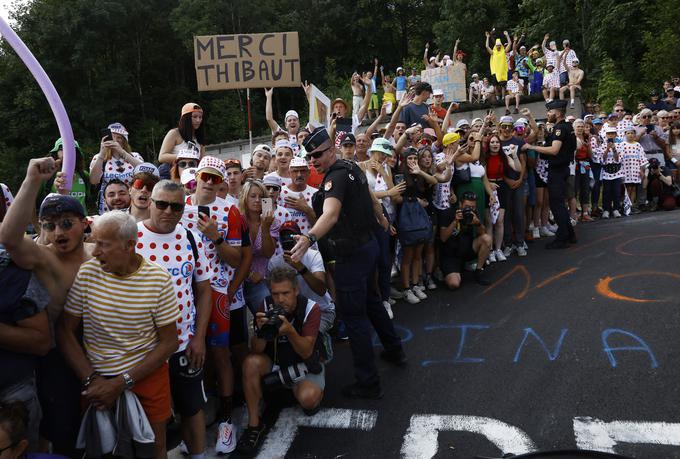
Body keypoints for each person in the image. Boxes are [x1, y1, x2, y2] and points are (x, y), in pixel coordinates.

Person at [292, 127, 405, 399]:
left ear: (331, 150)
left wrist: (308, 239)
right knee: (372, 302)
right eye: (310, 157)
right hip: (366, 247)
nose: (313, 161)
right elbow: (368, 197)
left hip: (351, 254)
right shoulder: (351, 167)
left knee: (355, 319)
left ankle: (368, 382)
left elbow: (330, 214)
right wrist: (381, 219)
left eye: (318, 155)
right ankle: (394, 349)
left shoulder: (336, 177)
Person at [57, 210, 180, 459]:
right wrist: (92, 381)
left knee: (154, 448)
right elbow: (64, 331)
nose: (95, 251)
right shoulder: (88, 273)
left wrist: (121, 382)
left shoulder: (158, 279)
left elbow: (169, 343)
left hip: (146, 377)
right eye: (94, 242)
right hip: (96, 380)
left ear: (130, 245)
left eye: (103, 244)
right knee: (101, 449)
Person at [0, 158, 93, 455]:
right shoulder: (45, 259)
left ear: (85, 223)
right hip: (58, 359)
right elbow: (9, 238)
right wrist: (31, 180)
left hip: (103, 349)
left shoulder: (98, 253)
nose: (58, 233)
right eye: (49, 226)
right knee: (63, 429)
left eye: (66, 224)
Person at [136, 180, 212, 458]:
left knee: (192, 408)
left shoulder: (191, 238)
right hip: (144, 351)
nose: (168, 211)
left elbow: (204, 290)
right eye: (162, 204)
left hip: (184, 345)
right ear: (149, 202)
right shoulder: (130, 238)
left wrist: (199, 337)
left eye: (176, 206)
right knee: (154, 419)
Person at [181, 156, 243, 454]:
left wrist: (216, 237)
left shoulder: (229, 209)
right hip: (184, 291)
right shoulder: (178, 205)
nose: (209, 182)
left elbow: (236, 259)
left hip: (217, 290)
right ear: (197, 176)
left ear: (221, 184)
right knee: (189, 353)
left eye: (216, 179)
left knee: (220, 354)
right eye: (206, 176)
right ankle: (197, 410)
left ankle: (227, 419)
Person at [236, 266, 325, 454]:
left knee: (308, 399)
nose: (280, 299)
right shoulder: (266, 305)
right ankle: (254, 425)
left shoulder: (311, 308)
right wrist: (261, 332)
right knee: (250, 363)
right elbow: (256, 350)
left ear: (296, 290)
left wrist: (290, 331)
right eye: (275, 294)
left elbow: (307, 352)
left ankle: (306, 389)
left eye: (285, 293)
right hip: (276, 361)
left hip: (304, 365)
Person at [268, 222, 335, 332]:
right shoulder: (274, 263)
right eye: (283, 236)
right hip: (291, 312)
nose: (287, 239)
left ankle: (324, 343)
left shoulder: (313, 255)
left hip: (321, 310)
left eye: (290, 236)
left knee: (309, 336)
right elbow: (274, 294)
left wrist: (300, 267)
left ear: (298, 238)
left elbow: (321, 290)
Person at [531, 100, 578, 247]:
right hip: (562, 169)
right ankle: (570, 235)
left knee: (556, 205)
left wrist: (532, 147)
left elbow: (554, 150)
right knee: (559, 204)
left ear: (557, 113)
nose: (548, 114)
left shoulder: (560, 129)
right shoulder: (568, 127)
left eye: (549, 112)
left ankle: (562, 238)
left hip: (557, 171)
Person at [438, 191, 492, 288]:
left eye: (473, 207)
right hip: (451, 255)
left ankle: (478, 271)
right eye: (467, 206)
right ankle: (445, 271)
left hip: (466, 250)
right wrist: (455, 221)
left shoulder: (473, 213)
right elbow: (443, 238)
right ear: (460, 204)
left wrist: (478, 223)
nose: (470, 209)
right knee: (454, 284)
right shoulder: (448, 212)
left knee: (487, 239)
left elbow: (483, 233)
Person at [240, 179, 278, 317]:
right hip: (238, 279)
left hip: (261, 281)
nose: (257, 200)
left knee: (267, 319)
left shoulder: (271, 222)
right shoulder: (237, 220)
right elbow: (235, 255)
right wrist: (249, 274)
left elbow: (268, 253)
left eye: (261, 197)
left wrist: (265, 228)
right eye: (252, 196)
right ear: (245, 198)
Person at [89, 122, 143, 214]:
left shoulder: (134, 156)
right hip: (107, 208)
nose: (115, 140)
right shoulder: (99, 158)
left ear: (124, 141)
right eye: (112, 137)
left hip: (131, 206)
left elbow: (145, 172)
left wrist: (123, 153)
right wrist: (102, 154)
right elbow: (94, 180)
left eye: (119, 138)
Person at [497, 116, 528, 257]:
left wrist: (520, 179)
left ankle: (520, 243)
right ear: (500, 126)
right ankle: (508, 243)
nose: (507, 129)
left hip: (518, 182)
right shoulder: (496, 142)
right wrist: (506, 179)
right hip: (503, 183)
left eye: (510, 126)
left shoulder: (518, 142)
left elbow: (523, 162)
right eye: (504, 126)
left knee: (519, 213)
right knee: (506, 214)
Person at [40, 138, 91, 211]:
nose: (67, 151)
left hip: (81, 220)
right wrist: (35, 222)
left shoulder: (84, 175)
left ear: (77, 153)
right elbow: (32, 199)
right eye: (62, 148)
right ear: (56, 152)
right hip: (55, 220)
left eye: (72, 148)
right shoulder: (47, 175)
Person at [158, 103, 206, 173]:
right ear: (186, 118)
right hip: (172, 174)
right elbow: (162, 157)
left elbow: (202, 160)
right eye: (194, 117)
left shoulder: (199, 137)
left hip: (192, 175)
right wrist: (186, 156)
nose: (198, 120)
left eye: (200, 117)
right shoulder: (174, 133)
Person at [279, 157, 318, 235]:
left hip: (310, 244)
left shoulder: (316, 194)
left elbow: (321, 226)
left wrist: (307, 210)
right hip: (284, 245)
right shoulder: (279, 193)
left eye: (303, 171)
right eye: (295, 171)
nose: (299, 175)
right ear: (289, 173)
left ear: (309, 172)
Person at [619, 126, 648, 212]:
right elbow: (619, 158)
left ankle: (631, 206)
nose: (630, 135)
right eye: (628, 133)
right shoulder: (622, 145)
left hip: (635, 170)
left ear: (634, 134)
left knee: (634, 188)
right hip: (626, 170)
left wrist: (642, 169)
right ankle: (626, 206)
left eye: (632, 133)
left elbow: (642, 157)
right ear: (625, 134)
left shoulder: (637, 145)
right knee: (628, 188)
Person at [485, 32, 510, 98]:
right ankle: (497, 97)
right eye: (497, 45)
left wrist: (507, 35)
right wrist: (487, 37)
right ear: (495, 46)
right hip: (495, 71)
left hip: (502, 71)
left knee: (503, 86)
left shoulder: (503, 51)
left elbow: (510, 44)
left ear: (501, 45)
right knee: (495, 85)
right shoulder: (493, 52)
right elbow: (487, 46)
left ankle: (503, 97)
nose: (498, 46)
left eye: (499, 45)